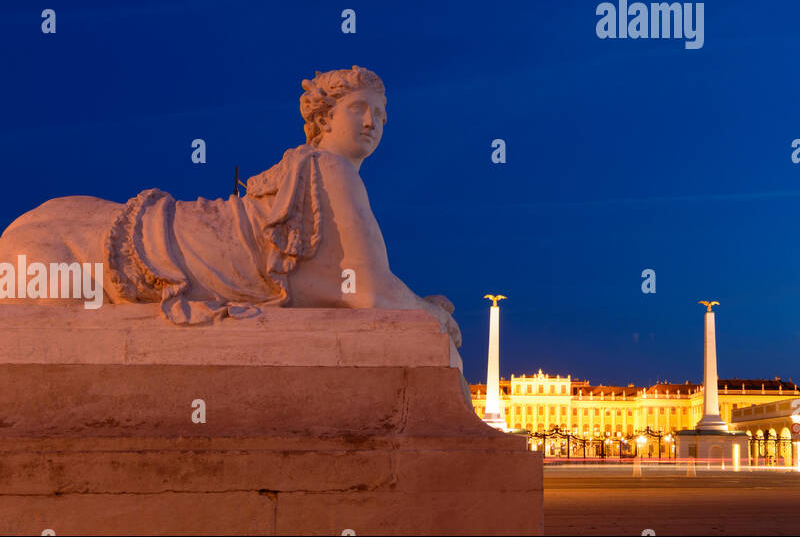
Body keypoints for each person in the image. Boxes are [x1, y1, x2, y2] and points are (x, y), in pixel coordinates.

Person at [0, 66, 461, 347]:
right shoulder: (327, 169)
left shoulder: (319, 175)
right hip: (166, 246)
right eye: (359, 108)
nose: (372, 122)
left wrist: (417, 302)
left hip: (148, 229)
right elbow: (371, 295)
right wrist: (429, 311)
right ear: (323, 118)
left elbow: (358, 283)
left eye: (381, 115)